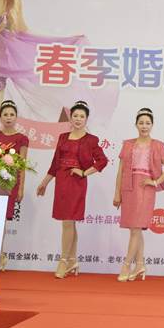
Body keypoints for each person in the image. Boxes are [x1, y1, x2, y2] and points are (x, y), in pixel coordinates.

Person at [36, 101, 108, 278]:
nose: (78, 119)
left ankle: (63, 261)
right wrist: (45, 182)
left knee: (68, 222)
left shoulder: (91, 140)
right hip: (61, 181)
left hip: (76, 183)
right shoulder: (62, 137)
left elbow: (102, 161)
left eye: (82, 116)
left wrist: (84, 172)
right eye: (75, 115)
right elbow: (55, 163)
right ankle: (72, 260)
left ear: (86, 119)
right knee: (69, 222)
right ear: (70, 118)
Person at [113, 108, 164, 282]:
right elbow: (120, 171)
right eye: (141, 123)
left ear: (152, 125)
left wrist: (155, 182)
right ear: (136, 125)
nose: (144, 126)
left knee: (136, 228)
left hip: (146, 190)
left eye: (147, 123)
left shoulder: (157, 145)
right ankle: (140, 265)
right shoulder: (128, 144)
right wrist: (117, 193)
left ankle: (126, 265)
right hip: (129, 188)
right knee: (135, 229)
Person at [0, 99, 29, 271]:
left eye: (12, 114)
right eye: (5, 114)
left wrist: (21, 188)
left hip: (10, 183)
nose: (8, 117)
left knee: (1, 220)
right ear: (0, 117)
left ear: (16, 117)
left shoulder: (22, 139)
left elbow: (22, 165)